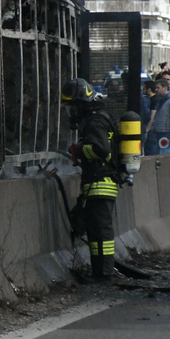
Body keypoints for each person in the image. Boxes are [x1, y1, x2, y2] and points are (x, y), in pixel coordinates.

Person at [62, 78, 117, 279]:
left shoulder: (95, 122)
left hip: (100, 183)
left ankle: (104, 273)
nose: (71, 113)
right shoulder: (98, 118)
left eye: (72, 107)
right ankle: (100, 272)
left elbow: (101, 150)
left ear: (81, 103)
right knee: (96, 233)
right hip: (98, 183)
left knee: (101, 233)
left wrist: (79, 150)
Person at [148, 78, 170, 154]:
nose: (156, 90)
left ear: (165, 88)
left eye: (158, 88)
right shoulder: (162, 99)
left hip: (166, 133)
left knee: (164, 154)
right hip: (159, 131)